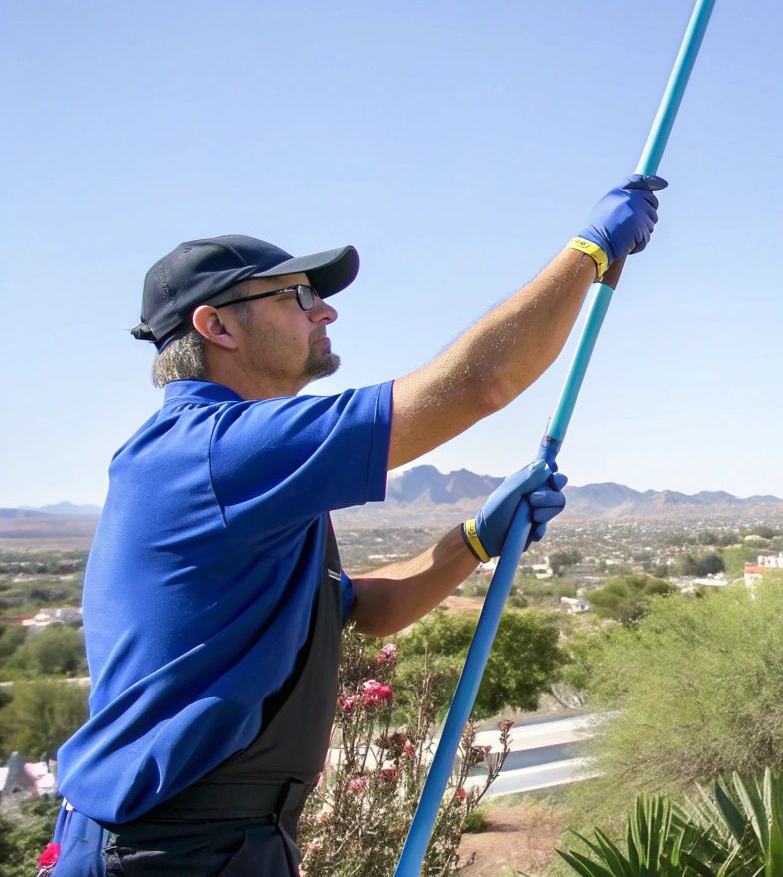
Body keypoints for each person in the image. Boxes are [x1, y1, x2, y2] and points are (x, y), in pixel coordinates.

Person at [44, 175, 665, 876]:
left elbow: (364, 608)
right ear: (215, 325)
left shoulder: (236, 472)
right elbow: (479, 384)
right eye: (299, 296)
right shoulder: (215, 449)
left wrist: (473, 541)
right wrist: (586, 253)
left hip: (211, 838)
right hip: (172, 845)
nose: (326, 312)